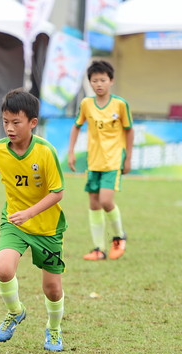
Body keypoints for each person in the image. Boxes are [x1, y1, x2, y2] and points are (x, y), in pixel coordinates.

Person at [0, 88, 67, 352]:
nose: (9, 128)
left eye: (16, 122)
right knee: (3, 269)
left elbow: (58, 192)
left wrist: (30, 212)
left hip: (47, 228)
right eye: (5, 121)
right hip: (13, 222)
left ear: (32, 123)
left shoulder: (45, 152)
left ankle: (53, 329)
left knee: (52, 289)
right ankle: (15, 311)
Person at [67, 60, 134, 261]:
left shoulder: (120, 105)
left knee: (106, 200)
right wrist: (71, 152)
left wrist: (128, 158)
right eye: (95, 80)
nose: (99, 84)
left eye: (103, 80)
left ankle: (119, 236)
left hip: (113, 161)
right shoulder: (86, 104)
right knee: (94, 204)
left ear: (111, 81)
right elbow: (76, 126)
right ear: (90, 82)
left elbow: (129, 131)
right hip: (93, 162)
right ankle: (98, 248)